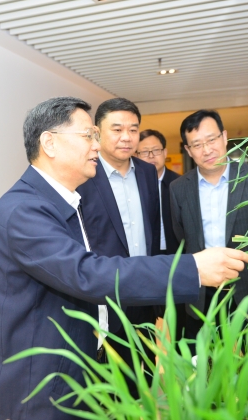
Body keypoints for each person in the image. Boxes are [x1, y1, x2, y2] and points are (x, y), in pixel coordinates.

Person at [0, 96, 248, 420]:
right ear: (49, 143)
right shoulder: (24, 210)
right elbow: (86, 273)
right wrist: (192, 268)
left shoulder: (63, 201)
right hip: (38, 388)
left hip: (70, 371)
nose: (97, 146)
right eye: (88, 136)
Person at [170, 110, 248, 353]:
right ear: (188, 150)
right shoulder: (178, 189)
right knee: (207, 365)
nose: (206, 150)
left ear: (224, 137)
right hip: (203, 294)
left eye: (211, 140)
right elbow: (180, 237)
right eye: (197, 145)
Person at [75, 98, 159, 393]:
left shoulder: (147, 172)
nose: (127, 137)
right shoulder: (83, 174)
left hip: (144, 294)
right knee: (106, 387)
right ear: (97, 132)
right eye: (117, 129)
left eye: (133, 130)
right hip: (103, 300)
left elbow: (152, 229)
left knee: (144, 380)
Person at [136, 128, 181, 255]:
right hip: (144, 255)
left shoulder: (180, 184)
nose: (151, 156)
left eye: (156, 150)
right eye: (145, 152)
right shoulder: (133, 186)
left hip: (177, 254)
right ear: (136, 156)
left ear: (165, 153)